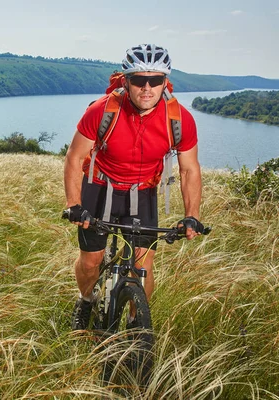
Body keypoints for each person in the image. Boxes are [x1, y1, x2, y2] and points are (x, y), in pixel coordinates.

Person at [63, 44, 204, 329]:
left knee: (143, 265)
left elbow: (190, 169)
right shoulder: (101, 111)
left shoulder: (179, 119)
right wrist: (74, 206)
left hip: (143, 192)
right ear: (126, 81)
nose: (147, 87)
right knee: (91, 262)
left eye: (156, 80)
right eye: (139, 80)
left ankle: (136, 323)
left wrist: (193, 215)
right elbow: (74, 158)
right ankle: (86, 300)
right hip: (101, 187)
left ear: (166, 82)